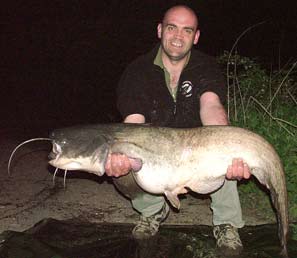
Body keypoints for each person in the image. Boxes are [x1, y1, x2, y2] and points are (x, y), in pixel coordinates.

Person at [105, 5, 251, 256]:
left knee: (222, 140)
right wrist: (122, 153)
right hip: (155, 151)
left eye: (187, 30)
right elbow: (134, 122)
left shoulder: (206, 66)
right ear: (160, 30)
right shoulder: (137, 71)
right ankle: (152, 212)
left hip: (196, 150)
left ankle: (226, 222)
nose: (177, 36)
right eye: (172, 27)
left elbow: (212, 106)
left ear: (195, 36)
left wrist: (227, 149)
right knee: (122, 163)